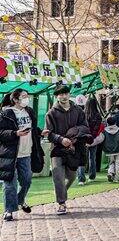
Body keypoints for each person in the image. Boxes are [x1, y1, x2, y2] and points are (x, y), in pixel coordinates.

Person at [45, 85, 90, 215]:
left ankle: (61, 191)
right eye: (60, 94)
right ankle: (61, 203)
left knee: (71, 176)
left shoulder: (78, 111)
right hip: (57, 150)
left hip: (73, 148)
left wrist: (73, 137)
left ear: (69, 94)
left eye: (65, 93)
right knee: (57, 175)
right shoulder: (51, 113)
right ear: (56, 96)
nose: (63, 96)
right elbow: (48, 133)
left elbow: (85, 127)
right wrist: (60, 139)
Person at [1, 89, 43, 221]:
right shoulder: (6, 113)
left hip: (26, 153)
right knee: (10, 184)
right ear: (15, 99)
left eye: (27, 96)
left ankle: (20, 200)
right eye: (24, 96)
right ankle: (9, 210)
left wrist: (41, 132)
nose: (27, 99)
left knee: (27, 180)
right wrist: (15, 133)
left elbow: (33, 128)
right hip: (10, 154)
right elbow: (1, 132)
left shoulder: (29, 111)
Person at [82, 97, 103, 180]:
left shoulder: (83, 114)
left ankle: (81, 177)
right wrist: (92, 138)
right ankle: (92, 176)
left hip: (84, 138)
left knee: (82, 158)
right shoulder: (98, 115)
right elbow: (97, 129)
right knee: (92, 158)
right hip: (93, 139)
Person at [101, 116, 119, 182]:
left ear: (107, 123)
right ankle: (117, 178)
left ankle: (110, 172)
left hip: (108, 150)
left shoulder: (104, 131)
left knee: (111, 162)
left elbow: (101, 139)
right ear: (115, 122)